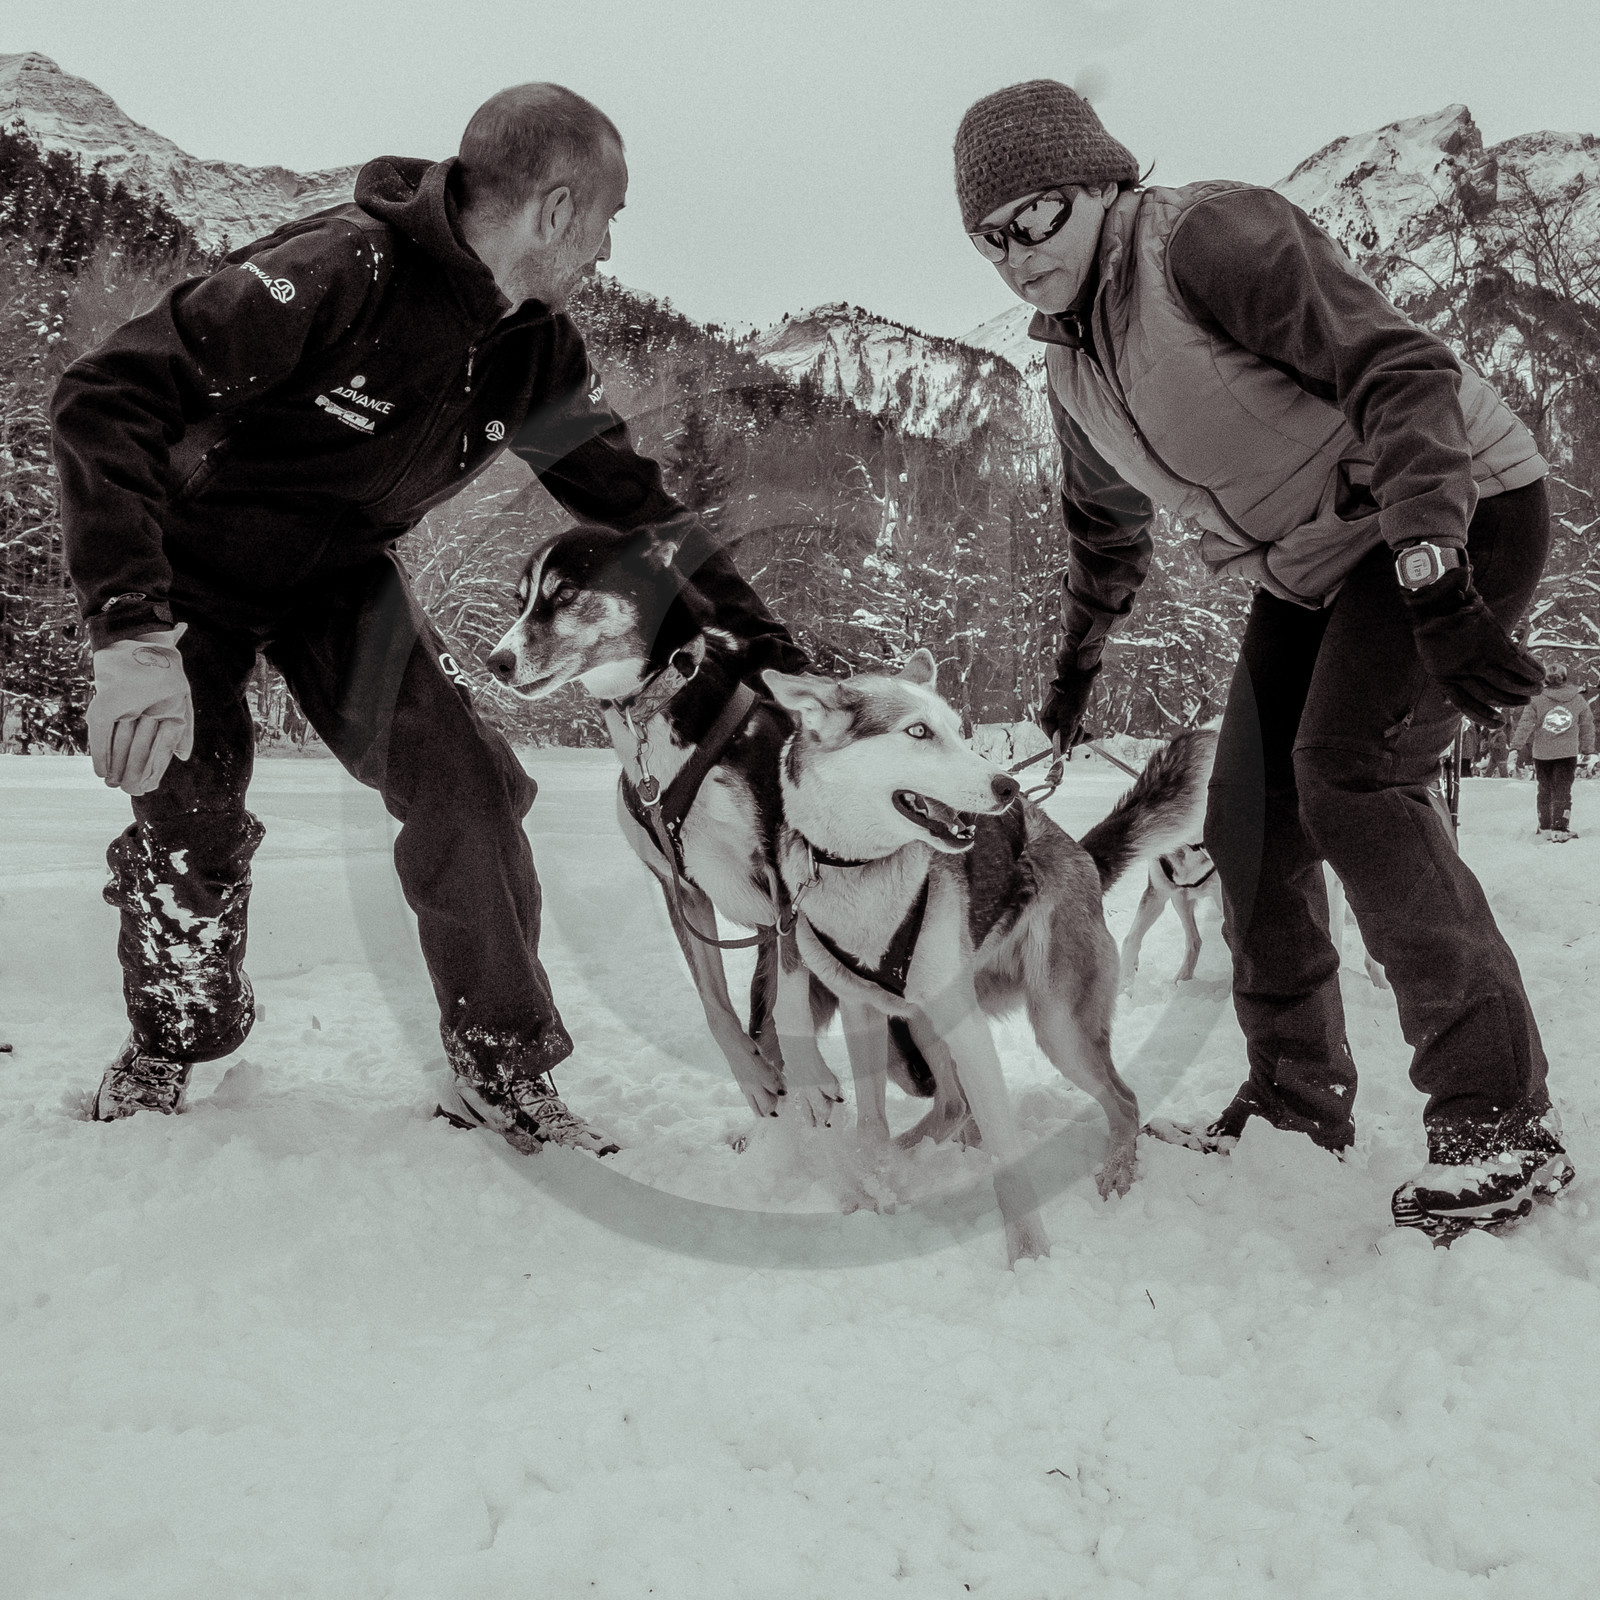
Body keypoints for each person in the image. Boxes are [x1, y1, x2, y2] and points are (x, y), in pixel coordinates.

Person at [51, 84, 801, 1152]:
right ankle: (174, 1036)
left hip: (338, 579)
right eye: (607, 217)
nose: (606, 247)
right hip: (191, 570)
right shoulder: (335, 272)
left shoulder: (534, 349)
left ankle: (502, 1064)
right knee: (192, 808)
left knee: (469, 782)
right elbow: (101, 398)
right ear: (554, 209)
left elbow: (637, 509)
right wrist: (129, 629)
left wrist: (765, 647)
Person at [952, 79, 1572, 1234]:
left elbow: (1399, 370)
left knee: (1347, 774)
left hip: (1452, 498)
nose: (1012, 253)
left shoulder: (1203, 239)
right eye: (988, 236)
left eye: (1034, 216)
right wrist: (1068, 685)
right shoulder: (1070, 363)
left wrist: (1435, 566)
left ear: (1099, 184)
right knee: (1244, 812)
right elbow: (1104, 535)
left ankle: (1498, 1120)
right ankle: (1297, 1102)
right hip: (1313, 558)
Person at [1511, 658, 1595, 840]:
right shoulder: (1578, 699)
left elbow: (1526, 723)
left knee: (1545, 789)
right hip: (1567, 753)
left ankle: (1545, 826)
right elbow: (1587, 725)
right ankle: (1560, 827)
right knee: (1562, 790)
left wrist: (1516, 746)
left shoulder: (1536, 699)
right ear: (1565, 678)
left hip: (1542, 753)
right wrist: (1588, 749)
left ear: (1545, 680)